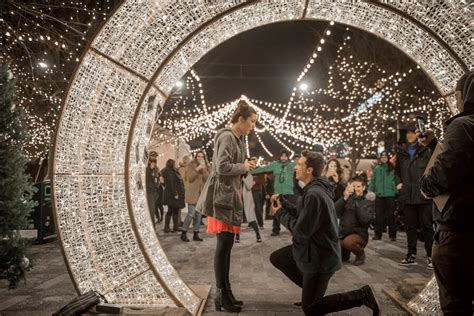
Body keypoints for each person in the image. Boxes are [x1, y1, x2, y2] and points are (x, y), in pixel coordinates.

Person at [269, 150, 380, 315]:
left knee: (311, 309)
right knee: (279, 257)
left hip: (320, 257)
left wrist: (278, 213)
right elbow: (304, 216)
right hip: (311, 250)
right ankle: (311, 292)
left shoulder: (314, 194)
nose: (295, 168)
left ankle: (362, 295)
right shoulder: (313, 189)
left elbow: (301, 230)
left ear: (309, 170)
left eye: (299, 165)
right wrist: (284, 204)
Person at [419, 71, 474, 314]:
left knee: (455, 305)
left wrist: (425, 185)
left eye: (456, 95)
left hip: (458, 232)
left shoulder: (462, 125)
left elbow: (444, 174)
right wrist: (433, 145)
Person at [195, 100, 257, 313]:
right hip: (222, 199)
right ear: (241, 119)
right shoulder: (227, 137)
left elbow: (232, 168)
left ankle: (227, 293)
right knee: (223, 248)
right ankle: (221, 296)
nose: (253, 126)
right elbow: (221, 167)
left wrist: (245, 167)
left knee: (227, 248)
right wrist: (243, 166)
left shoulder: (238, 139)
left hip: (229, 198)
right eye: (251, 121)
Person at [395, 125, 434, 268]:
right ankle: (411, 255)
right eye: (408, 133)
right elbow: (397, 172)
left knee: (427, 227)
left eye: (413, 133)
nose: (410, 135)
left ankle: (431, 256)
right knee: (410, 227)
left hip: (423, 196)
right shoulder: (401, 153)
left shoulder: (426, 150)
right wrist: (398, 183)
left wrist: (430, 188)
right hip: (407, 196)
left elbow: (432, 169)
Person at [252, 149, 296, 236]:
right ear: (279, 156)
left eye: (285, 155)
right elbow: (263, 169)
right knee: (276, 211)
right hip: (278, 192)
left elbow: (302, 170)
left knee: (291, 211)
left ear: (288, 157)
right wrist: (250, 171)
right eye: (282, 155)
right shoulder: (275, 165)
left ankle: (293, 229)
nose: (283, 157)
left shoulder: (292, 165)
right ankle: (275, 230)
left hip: (289, 192)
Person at [335, 176, 374, 265]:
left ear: (364, 187)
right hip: (344, 232)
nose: (356, 189)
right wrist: (344, 198)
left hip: (359, 234)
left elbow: (364, 219)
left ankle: (360, 254)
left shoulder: (368, 200)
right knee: (332, 241)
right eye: (354, 186)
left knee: (348, 242)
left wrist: (357, 202)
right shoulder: (348, 198)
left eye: (358, 187)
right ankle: (345, 253)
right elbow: (334, 211)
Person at [180, 151, 210, 242]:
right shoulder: (191, 165)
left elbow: (208, 178)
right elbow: (190, 178)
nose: (200, 158)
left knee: (199, 215)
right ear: (196, 157)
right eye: (198, 156)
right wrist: (197, 169)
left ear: (204, 158)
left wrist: (204, 169)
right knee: (191, 214)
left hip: (201, 195)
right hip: (192, 194)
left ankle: (196, 234)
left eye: (202, 156)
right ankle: (184, 232)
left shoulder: (207, 166)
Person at [368, 152, 397, 241]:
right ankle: (378, 234)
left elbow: (396, 180)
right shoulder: (377, 169)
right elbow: (373, 181)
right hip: (379, 195)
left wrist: (394, 190)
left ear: (388, 158)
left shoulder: (392, 168)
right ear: (380, 158)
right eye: (382, 157)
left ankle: (392, 235)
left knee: (391, 215)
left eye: (385, 157)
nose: (384, 158)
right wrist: (370, 191)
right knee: (378, 216)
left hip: (390, 195)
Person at [238, 157, 262, 243]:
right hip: (238, 199)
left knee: (251, 218)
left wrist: (243, 178)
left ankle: (258, 234)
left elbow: (249, 186)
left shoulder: (249, 175)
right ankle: (237, 236)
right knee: (238, 219)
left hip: (247, 199)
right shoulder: (237, 174)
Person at [161, 159, 185, 233]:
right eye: (173, 163)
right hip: (172, 195)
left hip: (173, 194)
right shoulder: (169, 172)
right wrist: (175, 194)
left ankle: (175, 227)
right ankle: (166, 227)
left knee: (175, 211)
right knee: (170, 211)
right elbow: (171, 184)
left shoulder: (172, 171)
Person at [145, 151, 160, 229]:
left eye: (155, 156)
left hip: (154, 192)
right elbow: (145, 178)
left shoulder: (156, 168)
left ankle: (152, 228)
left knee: (152, 211)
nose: (154, 158)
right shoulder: (146, 167)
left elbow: (156, 178)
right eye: (152, 156)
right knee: (151, 211)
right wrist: (149, 169)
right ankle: (152, 229)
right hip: (148, 192)